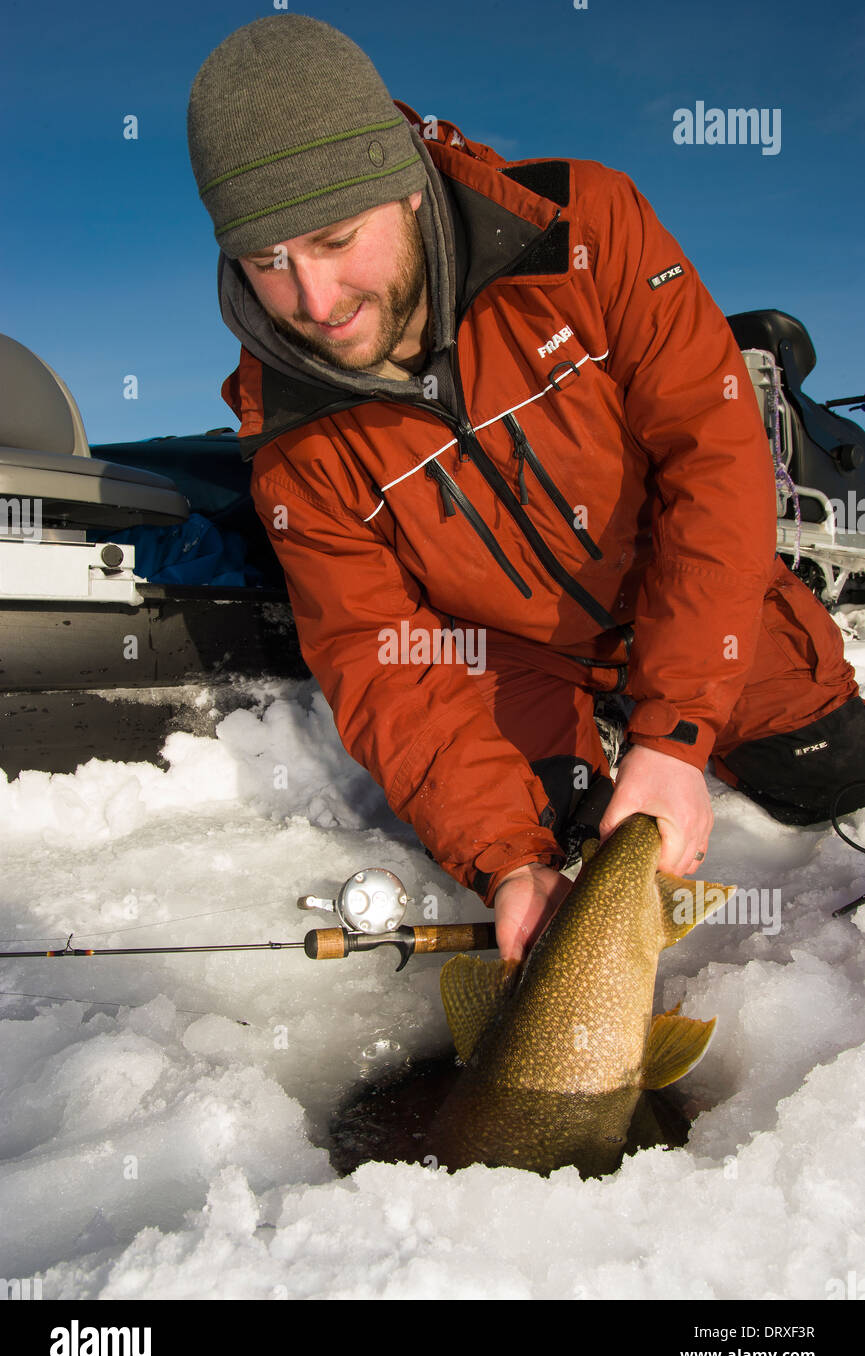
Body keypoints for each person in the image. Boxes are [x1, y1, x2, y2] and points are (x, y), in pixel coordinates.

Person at [187, 14, 865, 961]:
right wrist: (504, 859)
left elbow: (712, 461)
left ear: (410, 193)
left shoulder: (585, 230)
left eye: (336, 238)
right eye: (268, 262)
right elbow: (384, 657)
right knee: (547, 865)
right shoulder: (291, 442)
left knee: (828, 772)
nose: (316, 302)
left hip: (683, 589)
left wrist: (670, 737)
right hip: (512, 663)